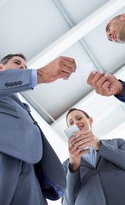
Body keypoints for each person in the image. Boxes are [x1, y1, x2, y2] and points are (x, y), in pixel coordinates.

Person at [0, 53, 76, 205]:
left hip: (32, 170)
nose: (22, 67)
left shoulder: (20, 104)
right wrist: (40, 74)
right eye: (17, 63)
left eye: (25, 67)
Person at [61, 108, 125, 205]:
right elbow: (67, 203)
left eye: (79, 118)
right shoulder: (67, 165)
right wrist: (74, 166)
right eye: (71, 123)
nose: (76, 123)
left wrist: (101, 146)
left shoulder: (117, 143)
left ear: (90, 120)